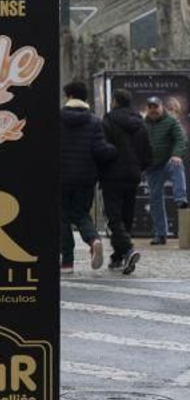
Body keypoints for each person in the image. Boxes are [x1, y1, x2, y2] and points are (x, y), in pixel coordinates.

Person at [58, 80, 113, 273]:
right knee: (81, 214)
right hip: (86, 178)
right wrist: (113, 151)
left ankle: (67, 262)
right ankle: (94, 240)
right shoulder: (94, 121)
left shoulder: (57, 118)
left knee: (62, 217)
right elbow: (100, 150)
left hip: (61, 177)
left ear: (69, 96)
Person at [101, 89, 149, 274]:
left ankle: (127, 250)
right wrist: (139, 167)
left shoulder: (108, 121)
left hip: (112, 175)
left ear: (115, 102)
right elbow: (147, 152)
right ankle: (118, 256)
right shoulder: (140, 124)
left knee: (113, 217)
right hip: (133, 175)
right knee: (126, 216)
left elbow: (103, 149)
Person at [142, 95, 186, 246]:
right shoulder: (142, 124)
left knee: (177, 164)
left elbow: (181, 139)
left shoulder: (171, 121)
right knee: (155, 200)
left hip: (168, 161)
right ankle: (161, 235)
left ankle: (181, 199)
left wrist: (176, 154)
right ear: (147, 109)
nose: (153, 110)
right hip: (152, 167)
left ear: (162, 107)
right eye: (151, 107)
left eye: (156, 107)